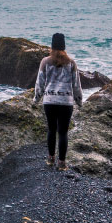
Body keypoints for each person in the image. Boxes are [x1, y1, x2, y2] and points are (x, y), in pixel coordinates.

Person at [33, 32, 82, 170]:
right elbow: (76, 85)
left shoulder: (45, 61)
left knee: (51, 129)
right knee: (63, 132)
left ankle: (50, 159)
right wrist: (79, 101)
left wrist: (36, 99)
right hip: (66, 103)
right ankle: (61, 163)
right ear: (64, 46)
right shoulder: (71, 63)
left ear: (52, 46)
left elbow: (39, 83)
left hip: (49, 102)